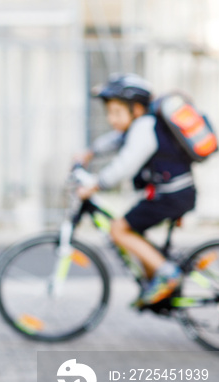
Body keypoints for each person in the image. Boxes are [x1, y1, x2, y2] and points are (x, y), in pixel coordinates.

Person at [75, 73, 196, 305]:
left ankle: (167, 274)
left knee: (119, 229)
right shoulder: (141, 124)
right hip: (173, 194)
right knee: (135, 230)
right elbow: (116, 140)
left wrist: (96, 184)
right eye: (109, 112)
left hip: (171, 196)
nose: (111, 119)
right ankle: (158, 287)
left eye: (117, 112)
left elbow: (125, 163)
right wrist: (90, 152)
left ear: (137, 109)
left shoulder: (145, 127)